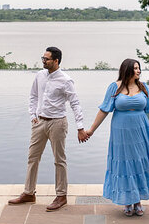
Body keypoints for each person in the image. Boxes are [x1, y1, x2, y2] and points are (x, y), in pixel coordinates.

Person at [85, 58, 149, 217]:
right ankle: (127, 201)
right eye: (136, 68)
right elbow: (104, 110)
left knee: (140, 162)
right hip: (121, 132)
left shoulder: (143, 88)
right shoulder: (115, 87)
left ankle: (137, 201)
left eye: (139, 68)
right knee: (125, 164)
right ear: (127, 69)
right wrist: (91, 130)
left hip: (140, 130)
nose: (138, 71)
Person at [8, 47, 89, 212]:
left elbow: (75, 103)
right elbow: (33, 96)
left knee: (59, 160)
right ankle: (29, 193)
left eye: (47, 59)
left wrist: (80, 127)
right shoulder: (40, 75)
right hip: (39, 123)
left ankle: (61, 195)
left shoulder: (66, 80)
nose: (43, 61)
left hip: (57, 123)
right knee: (32, 158)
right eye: (43, 58)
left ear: (56, 61)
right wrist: (33, 115)